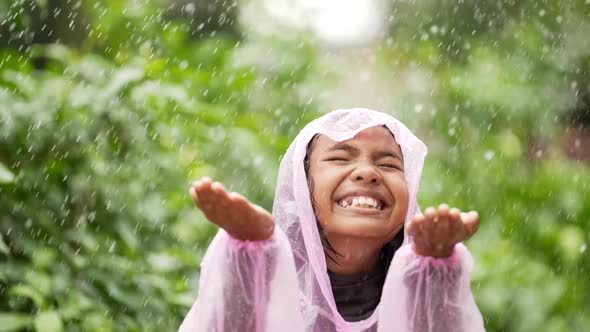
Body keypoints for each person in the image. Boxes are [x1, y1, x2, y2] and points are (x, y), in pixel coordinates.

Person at [179, 108, 485, 332]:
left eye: (388, 163)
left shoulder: (421, 280)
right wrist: (248, 256)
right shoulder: (273, 280)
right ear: (302, 190)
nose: (367, 172)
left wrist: (435, 270)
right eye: (340, 158)